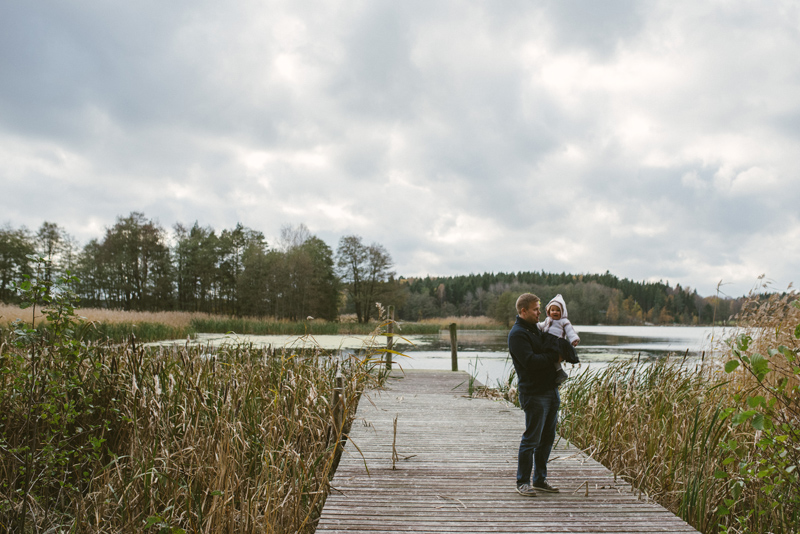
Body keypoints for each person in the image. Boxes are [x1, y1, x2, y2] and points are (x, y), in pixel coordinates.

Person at [508, 293, 562, 497]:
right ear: (523, 311)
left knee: (547, 439)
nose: (540, 312)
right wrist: (553, 356)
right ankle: (522, 482)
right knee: (531, 439)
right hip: (534, 393)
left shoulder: (538, 330)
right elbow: (530, 362)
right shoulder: (517, 334)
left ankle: (540, 479)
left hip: (551, 390)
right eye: (535, 309)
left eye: (539, 308)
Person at [538, 294, 580, 385]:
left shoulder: (564, 321)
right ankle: (555, 372)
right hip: (547, 340)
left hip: (557, 342)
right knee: (546, 355)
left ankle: (560, 371)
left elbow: (570, 331)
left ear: (562, 312)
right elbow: (541, 326)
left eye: (558, 310)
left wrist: (574, 339)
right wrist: (534, 325)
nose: (555, 312)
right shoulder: (548, 320)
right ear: (549, 311)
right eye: (552, 310)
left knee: (554, 356)